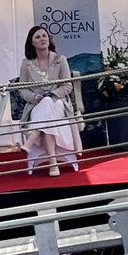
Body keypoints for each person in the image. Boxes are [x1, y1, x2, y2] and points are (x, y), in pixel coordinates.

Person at [17, 24, 81, 177]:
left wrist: (52, 95)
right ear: (32, 42)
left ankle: (32, 139)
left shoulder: (60, 60)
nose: (42, 39)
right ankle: (53, 163)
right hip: (37, 105)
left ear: (49, 39)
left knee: (48, 103)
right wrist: (34, 97)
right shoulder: (26, 63)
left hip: (58, 102)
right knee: (45, 109)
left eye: (44, 35)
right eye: (38, 37)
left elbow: (67, 86)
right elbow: (22, 89)